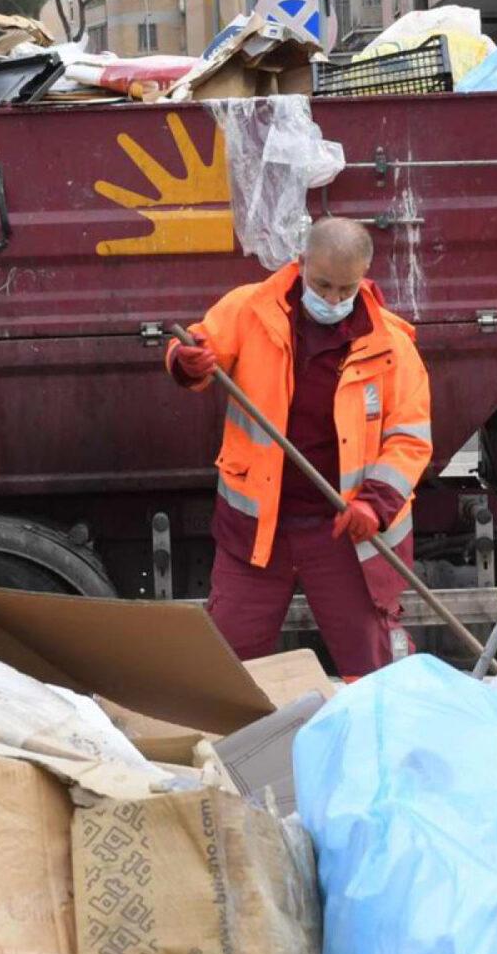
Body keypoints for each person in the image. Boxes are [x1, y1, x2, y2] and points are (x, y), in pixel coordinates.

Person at [166, 217, 433, 677]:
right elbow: (196, 350)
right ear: (302, 262)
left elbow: (409, 439)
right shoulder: (249, 310)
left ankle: (374, 744)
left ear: (365, 277)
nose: (331, 300)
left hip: (345, 533)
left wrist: (374, 505)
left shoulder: (391, 345)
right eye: (322, 284)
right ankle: (233, 748)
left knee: (373, 669)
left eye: (344, 290)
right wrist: (187, 361)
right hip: (257, 532)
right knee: (231, 668)